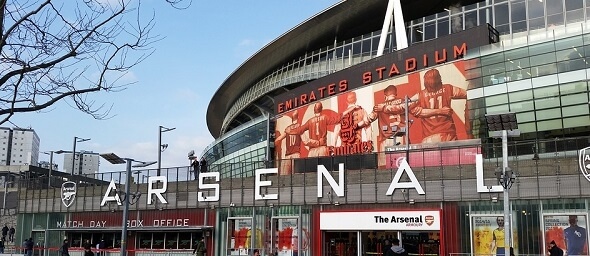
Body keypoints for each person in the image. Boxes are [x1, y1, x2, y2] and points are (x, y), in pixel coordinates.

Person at [410, 68, 467, 143]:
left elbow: (407, 106)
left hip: (429, 136)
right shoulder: (448, 88)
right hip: (448, 133)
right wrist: (440, 111)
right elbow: (468, 94)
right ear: (439, 78)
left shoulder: (420, 95)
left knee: (430, 154)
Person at [274, 111, 303, 175]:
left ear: (292, 118)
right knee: (296, 176)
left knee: (285, 176)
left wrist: (272, 144)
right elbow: (305, 140)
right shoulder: (300, 127)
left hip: (287, 156)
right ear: (298, 117)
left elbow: (279, 139)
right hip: (296, 154)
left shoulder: (287, 129)